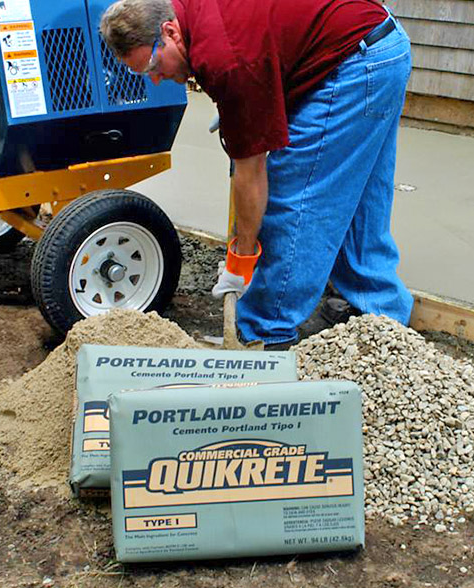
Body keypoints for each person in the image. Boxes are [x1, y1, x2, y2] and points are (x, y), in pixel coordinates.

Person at [100, 0, 414, 348]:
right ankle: (382, 317)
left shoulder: (226, 60)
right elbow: (260, 44)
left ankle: (264, 334)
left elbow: (252, 173)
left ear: (169, 32)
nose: (156, 79)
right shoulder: (188, 15)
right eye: (143, 73)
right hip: (380, 42)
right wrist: (244, 105)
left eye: (152, 66)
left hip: (354, 63)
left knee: (296, 195)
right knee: (362, 195)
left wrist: (240, 262)